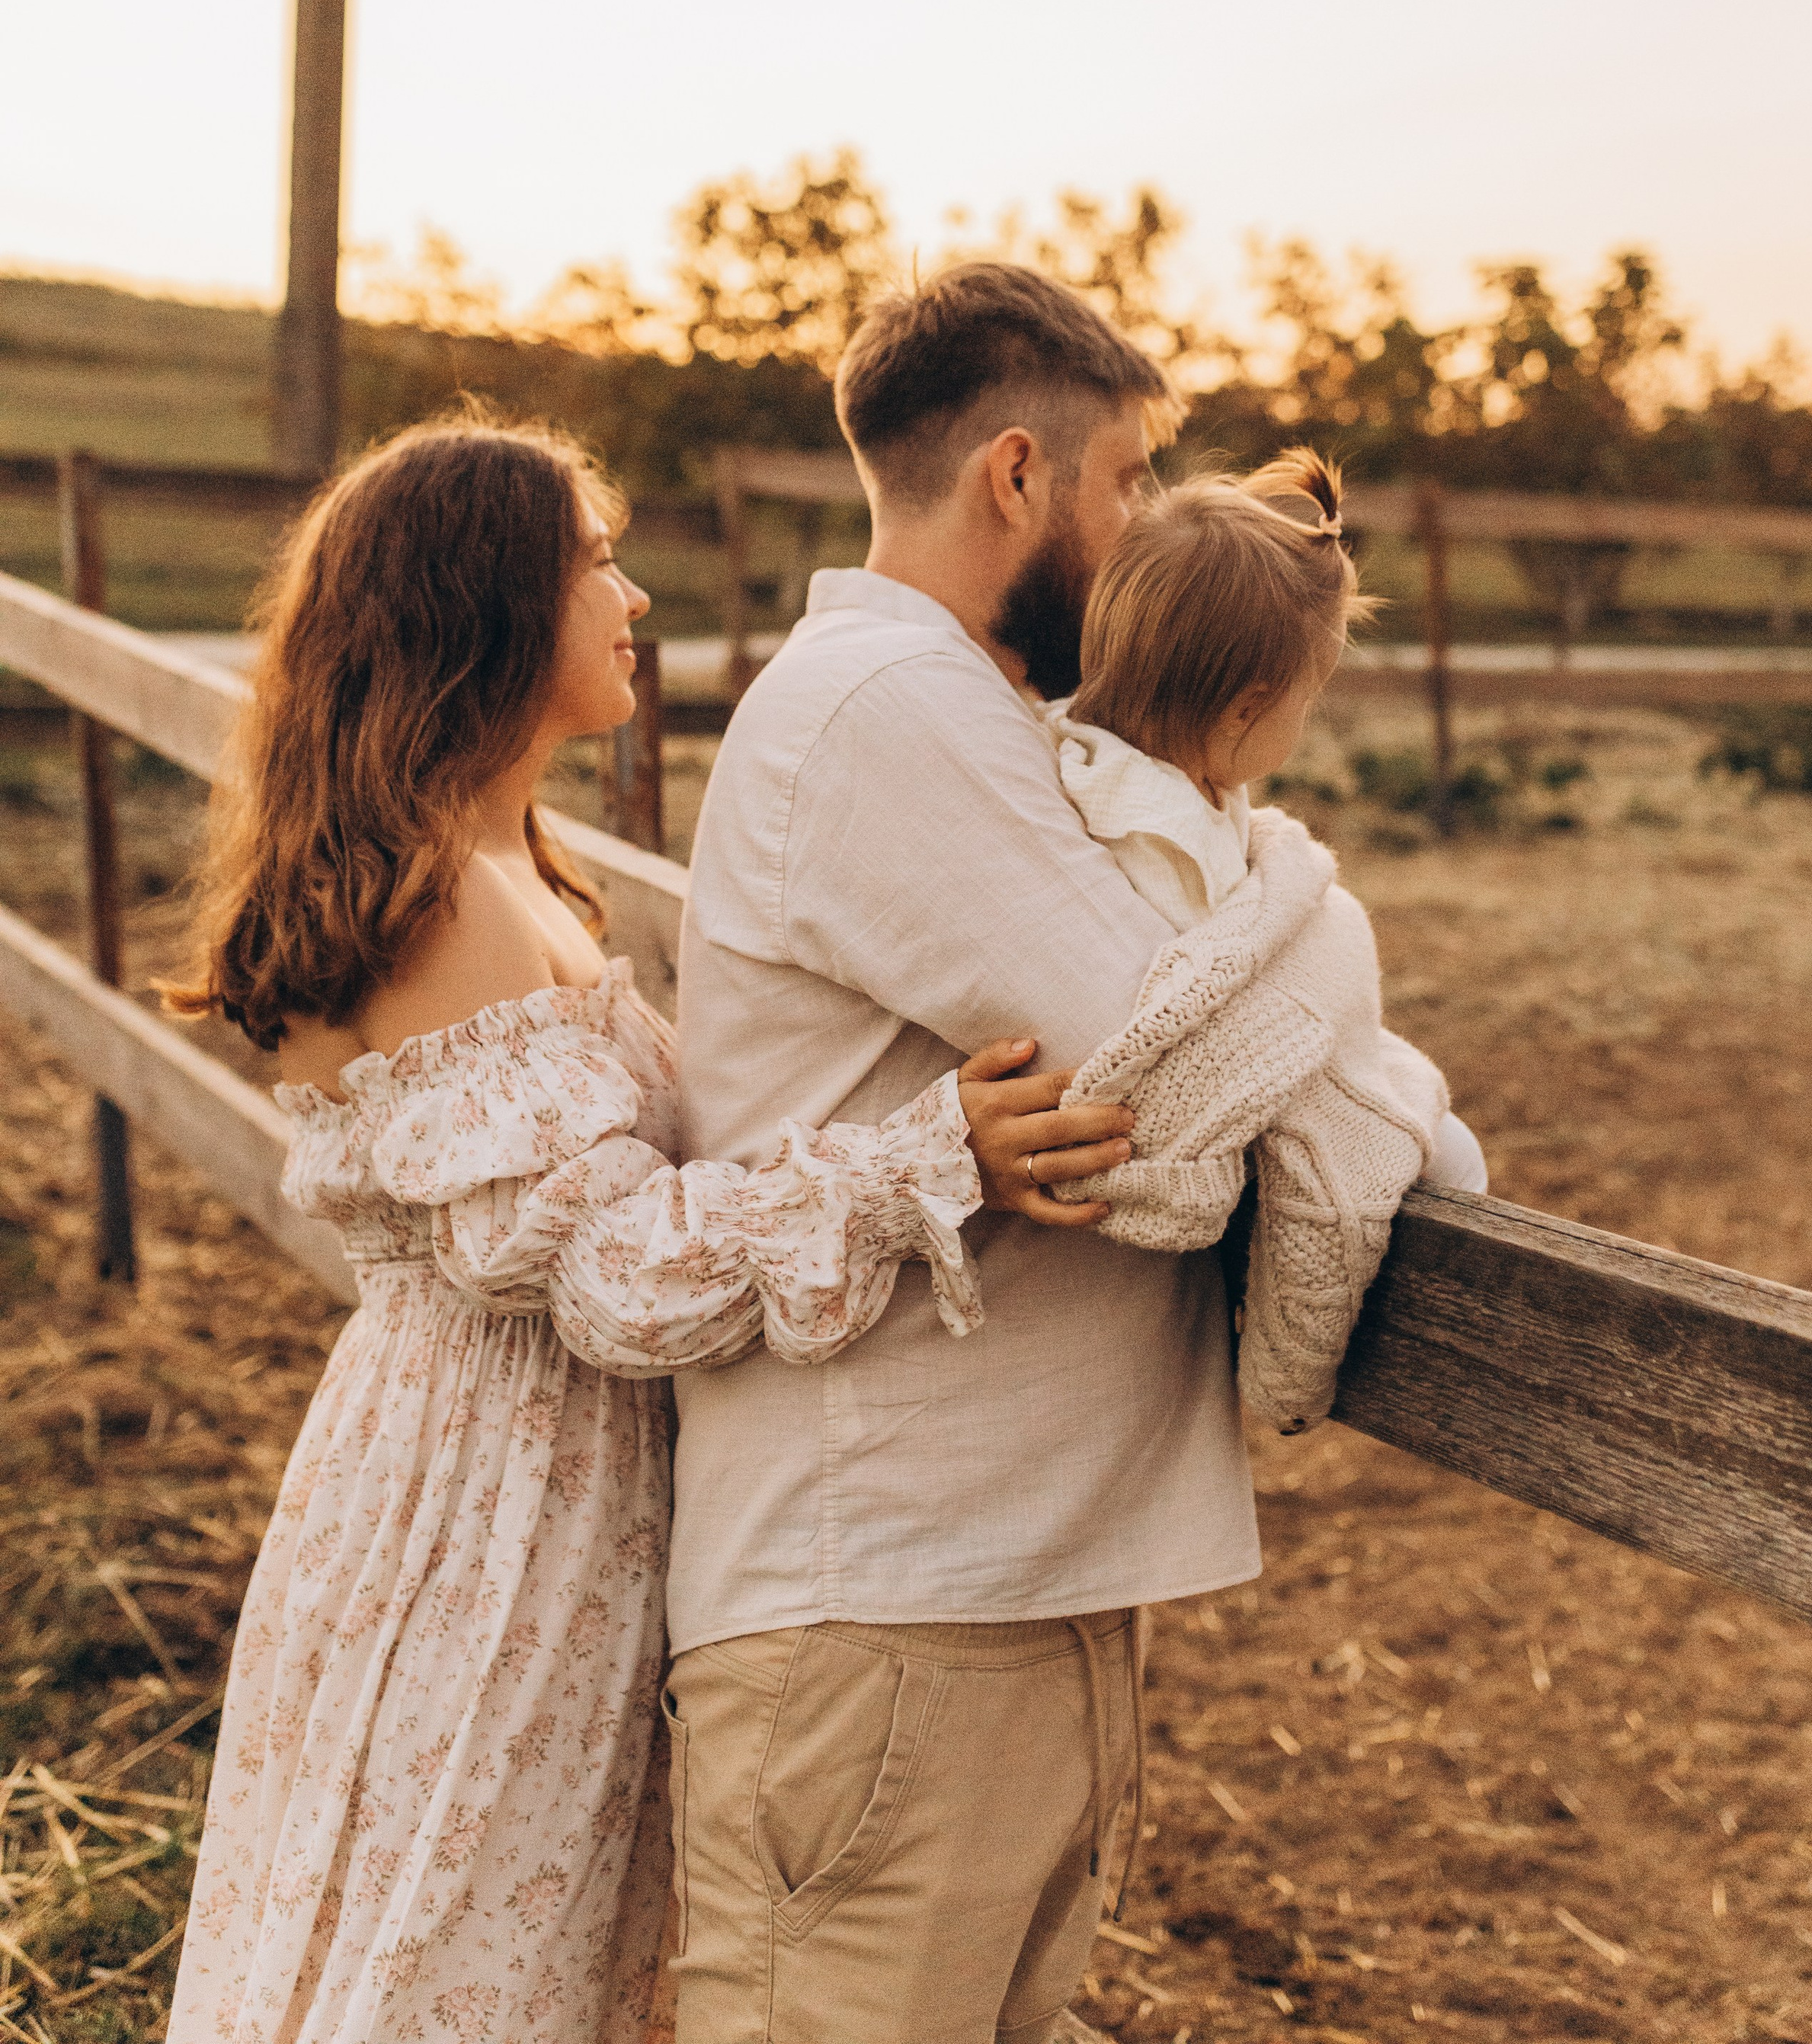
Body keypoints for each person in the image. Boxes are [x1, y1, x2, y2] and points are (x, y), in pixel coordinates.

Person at [158, 414, 1132, 2044]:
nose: (633, 595)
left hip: (524, 1490)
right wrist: (919, 1162)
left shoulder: (502, 868)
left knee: (491, 1926)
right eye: (591, 560)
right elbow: (607, 1271)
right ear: (483, 603)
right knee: (453, 1941)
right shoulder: (450, 901)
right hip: (488, 1511)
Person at [666, 265, 1259, 2044]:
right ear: (1019, 475)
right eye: (1129, 479)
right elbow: (1179, 1046)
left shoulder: (955, 709)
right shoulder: (882, 714)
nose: (1145, 525)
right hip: (886, 1620)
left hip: (985, 1595)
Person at [1045, 447, 1488, 1430]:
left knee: (1410, 1103)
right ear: (1248, 709)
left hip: (1290, 1039)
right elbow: (1211, 978)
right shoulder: (1151, 824)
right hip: (1240, 1071)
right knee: (1437, 1152)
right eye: (1305, 697)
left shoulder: (1123, 766)